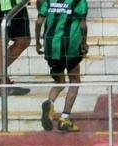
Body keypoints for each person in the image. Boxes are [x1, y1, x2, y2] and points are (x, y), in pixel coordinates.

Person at [35, 0, 87, 133]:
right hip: (70, 48)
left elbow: (39, 22)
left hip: (51, 47)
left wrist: (37, 42)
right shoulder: (79, 1)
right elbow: (82, 25)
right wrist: (84, 44)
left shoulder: (49, 1)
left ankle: (50, 102)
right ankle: (65, 118)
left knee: (60, 81)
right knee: (75, 81)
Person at [0, 0, 31, 96]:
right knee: (2, 39)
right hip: (2, 5)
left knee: (24, 40)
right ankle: (3, 84)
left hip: (19, 4)